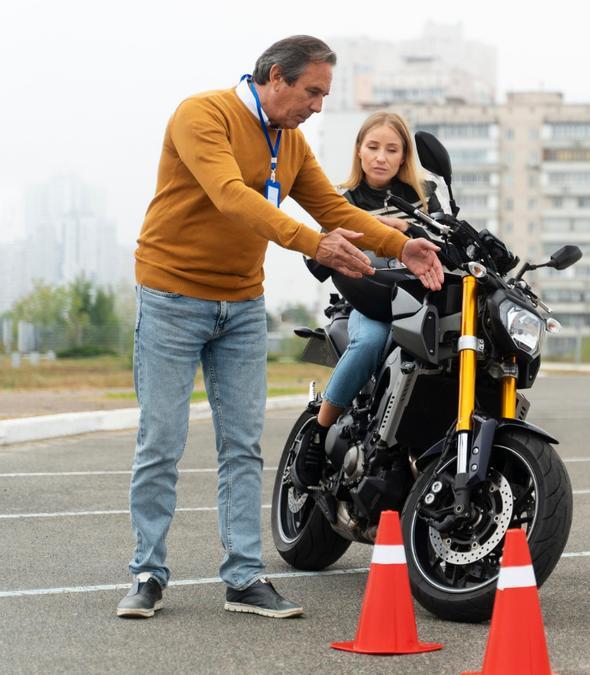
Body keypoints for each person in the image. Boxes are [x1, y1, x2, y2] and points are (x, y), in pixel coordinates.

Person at [119, 36, 443, 620]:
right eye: (312, 91)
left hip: (240, 304)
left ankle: (244, 578)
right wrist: (314, 243)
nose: (318, 105)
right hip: (172, 294)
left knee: (242, 445)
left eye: (325, 94)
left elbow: (337, 211)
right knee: (161, 440)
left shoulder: (288, 141)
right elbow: (231, 197)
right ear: (275, 76)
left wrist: (403, 246)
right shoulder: (204, 114)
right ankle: (147, 571)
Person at [291, 111, 441, 489]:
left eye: (392, 149)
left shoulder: (425, 200)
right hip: (366, 303)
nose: (381, 157)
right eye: (373, 147)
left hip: (419, 304)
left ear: (404, 156)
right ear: (359, 151)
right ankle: (316, 433)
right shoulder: (343, 201)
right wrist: (373, 229)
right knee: (371, 342)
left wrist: (409, 227)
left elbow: (447, 243)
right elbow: (318, 259)